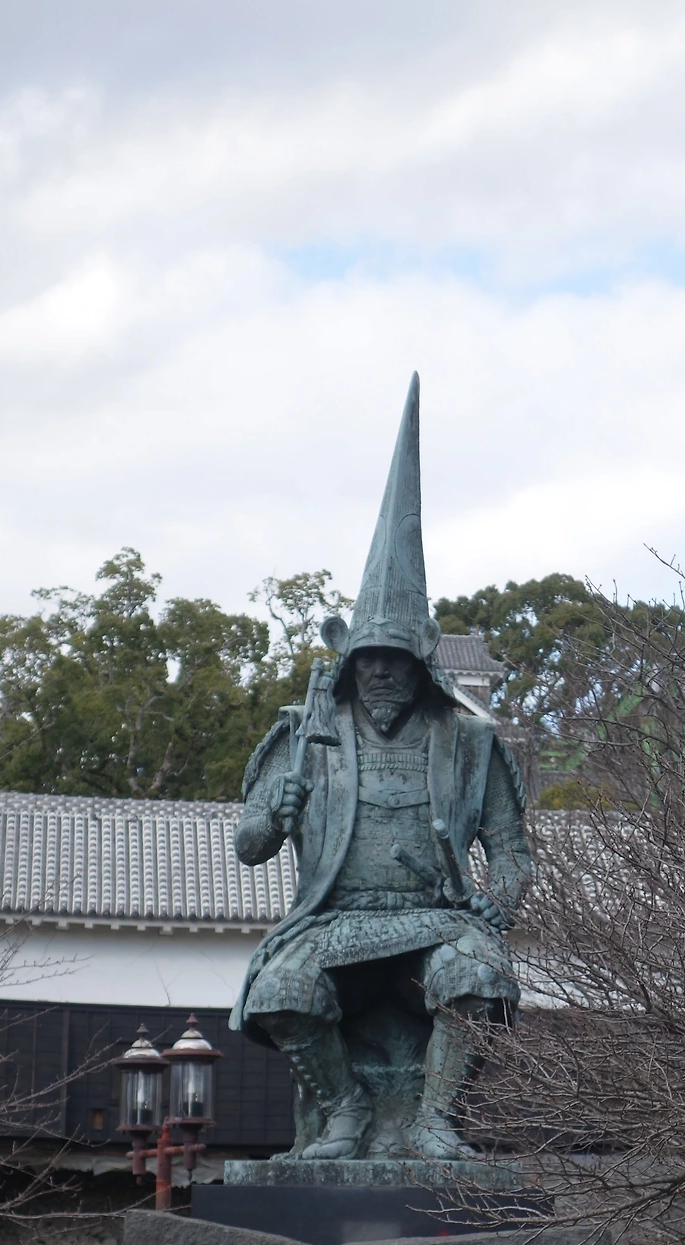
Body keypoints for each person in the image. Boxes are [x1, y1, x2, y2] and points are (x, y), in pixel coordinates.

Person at [231, 376, 532, 1161]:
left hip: (437, 917)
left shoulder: (470, 742)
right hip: (334, 919)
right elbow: (250, 845)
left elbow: (510, 848)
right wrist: (277, 813)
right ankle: (344, 1110)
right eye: (367, 660)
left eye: (394, 661)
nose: (380, 675)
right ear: (349, 663)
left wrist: (498, 903)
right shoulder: (305, 731)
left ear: (421, 665)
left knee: (477, 971)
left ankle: (435, 1119)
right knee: (280, 988)